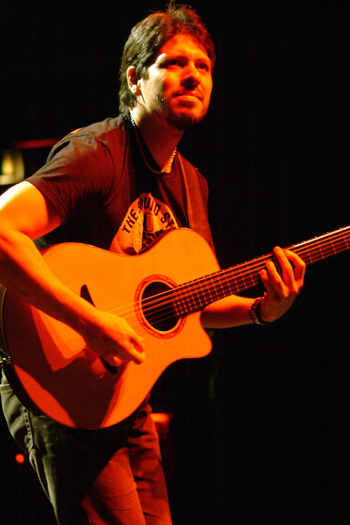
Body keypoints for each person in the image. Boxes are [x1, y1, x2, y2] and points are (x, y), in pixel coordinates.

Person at [0, 3, 306, 524]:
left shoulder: (192, 183)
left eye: (204, 66)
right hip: (56, 377)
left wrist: (261, 309)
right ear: (135, 79)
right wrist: (90, 322)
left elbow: (191, 302)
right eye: (174, 63)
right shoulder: (98, 152)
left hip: (125, 393)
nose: (192, 74)